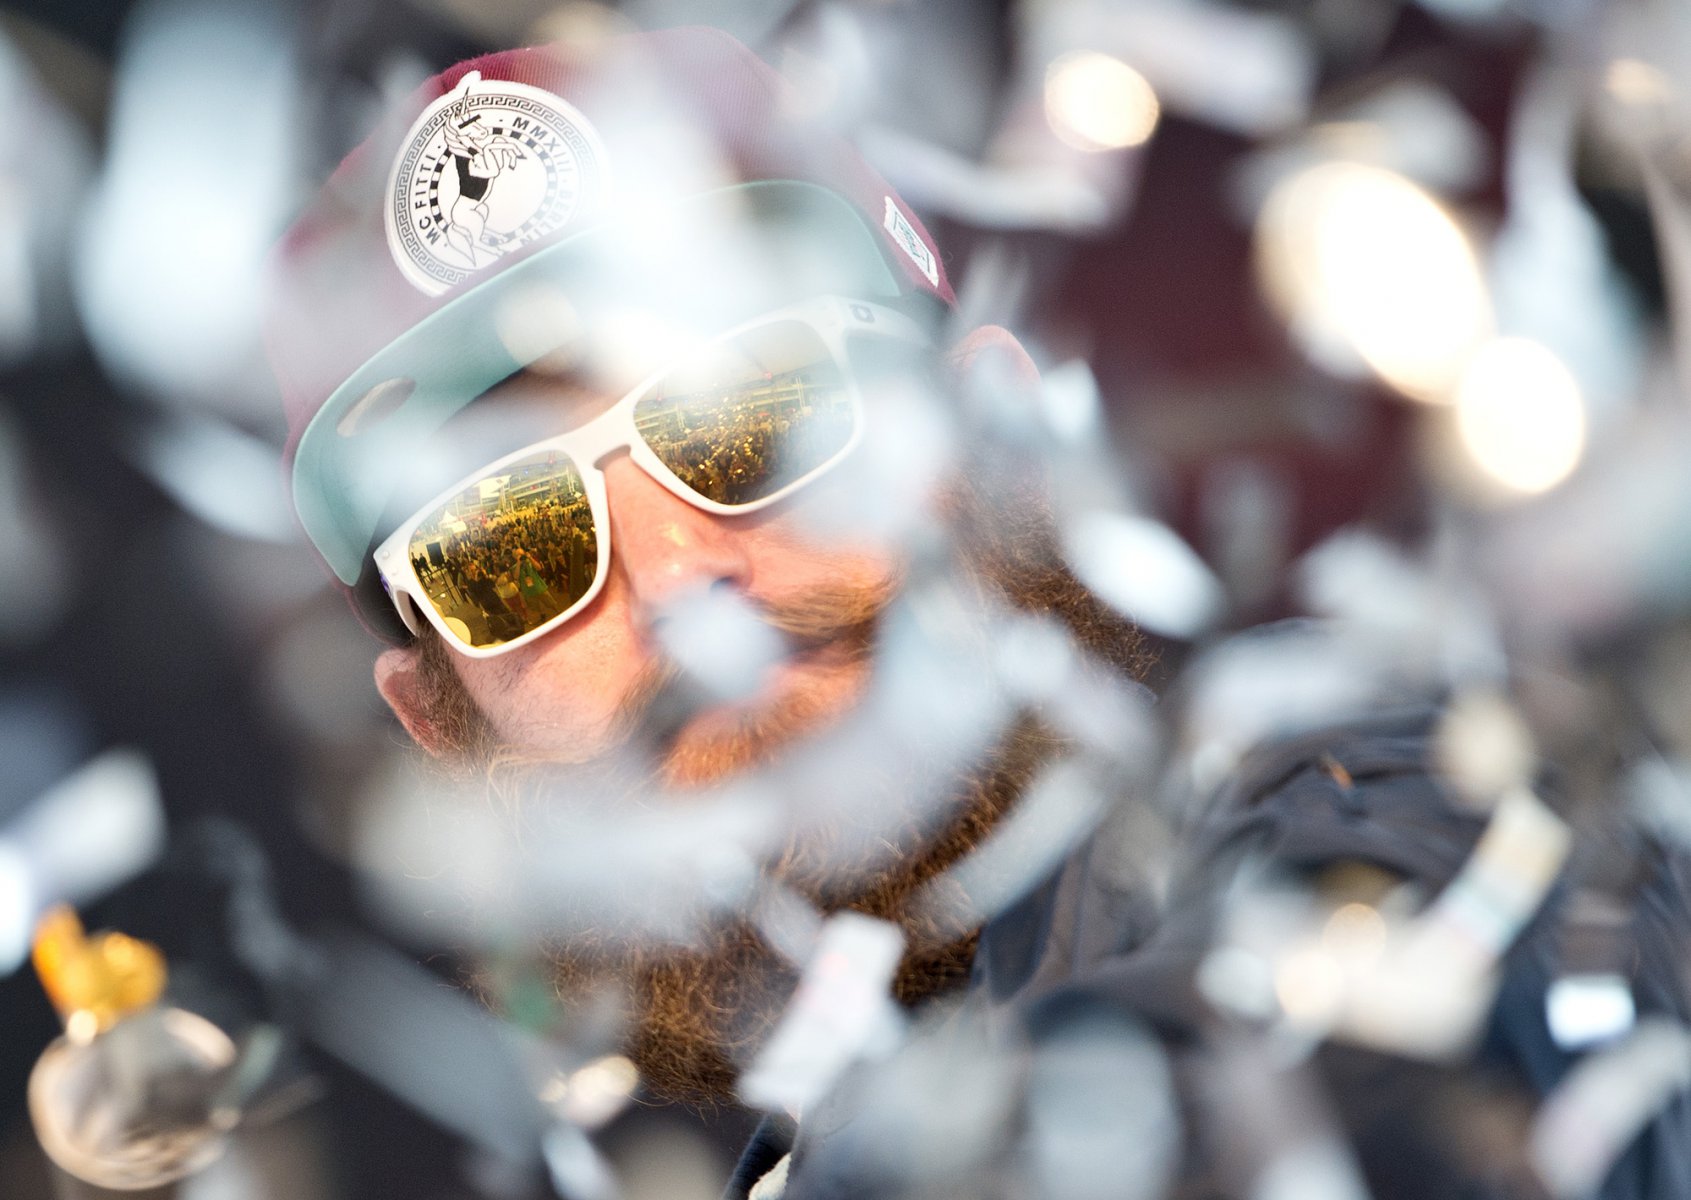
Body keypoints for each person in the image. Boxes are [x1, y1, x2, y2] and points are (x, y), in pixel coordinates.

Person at [268, 25, 1691, 1200]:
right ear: (440, 720)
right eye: (505, 549)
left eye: (751, 419)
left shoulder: (1410, 846)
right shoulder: (546, 1156)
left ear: (988, 430)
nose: (679, 575)